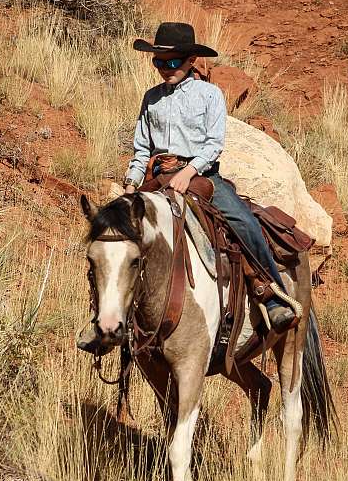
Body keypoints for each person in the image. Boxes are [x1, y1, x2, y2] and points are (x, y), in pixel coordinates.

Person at [122, 21, 296, 334]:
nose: (164, 69)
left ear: (190, 61)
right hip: (157, 177)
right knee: (118, 233)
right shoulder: (151, 98)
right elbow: (141, 149)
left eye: (172, 62)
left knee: (245, 223)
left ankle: (272, 295)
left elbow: (213, 145)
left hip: (202, 176)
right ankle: (116, 314)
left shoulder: (209, 95)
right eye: (158, 62)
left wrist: (188, 171)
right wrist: (131, 183)